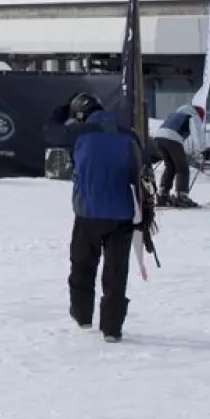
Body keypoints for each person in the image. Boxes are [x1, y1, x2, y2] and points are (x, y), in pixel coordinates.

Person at [63, 94, 156, 341]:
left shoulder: (80, 136)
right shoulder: (127, 136)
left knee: (82, 263)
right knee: (116, 271)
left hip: (87, 212)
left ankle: (82, 316)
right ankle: (112, 329)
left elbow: (74, 169)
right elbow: (143, 171)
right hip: (122, 213)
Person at [149, 102, 204, 207]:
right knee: (182, 168)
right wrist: (203, 149)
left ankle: (163, 195)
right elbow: (197, 134)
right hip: (172, 138)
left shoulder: (175, 114)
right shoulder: (194, 115)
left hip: (158, 137)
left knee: (170, 167)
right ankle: (181, 196)